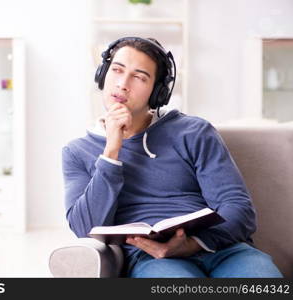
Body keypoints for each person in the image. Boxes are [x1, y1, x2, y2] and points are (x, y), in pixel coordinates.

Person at [61, 37, 282, 278]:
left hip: (224, 251)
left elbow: (238, 208)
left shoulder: (193, 131)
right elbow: (85, 228)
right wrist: (112, 151)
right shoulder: (77, 152)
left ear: (157, 92)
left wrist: (194, 242)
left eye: (139, 76)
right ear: (103, 74)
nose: (123, 84)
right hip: (152, 258)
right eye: (117, 70)